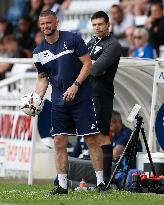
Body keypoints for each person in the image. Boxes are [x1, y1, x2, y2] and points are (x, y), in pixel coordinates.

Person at [33, 9, 106, 195]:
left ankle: (100, 183)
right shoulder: (38, 51)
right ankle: (62, 186)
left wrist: (75, 85)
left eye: (49, 23)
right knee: (59, 141)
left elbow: (88, 64)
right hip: (58, 102)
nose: (46, 27)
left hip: (81, 98)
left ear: (56, 22)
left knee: (91, 139)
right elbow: (43, 78)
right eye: (42, 24)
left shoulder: (72, 39)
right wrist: (36, 99)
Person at [87, 11, 121, 186]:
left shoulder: (113, 45)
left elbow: (96, 70)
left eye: (100, 24)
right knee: (91, 137)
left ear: (108, 25)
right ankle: (98, 177)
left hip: (102, 94)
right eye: (94, 25)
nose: (97, 28)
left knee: (101, 135)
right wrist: (89, 64)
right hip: (88, 93)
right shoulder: (92, 42)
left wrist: (89, 64)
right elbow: (81, 63)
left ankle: (106, 178)